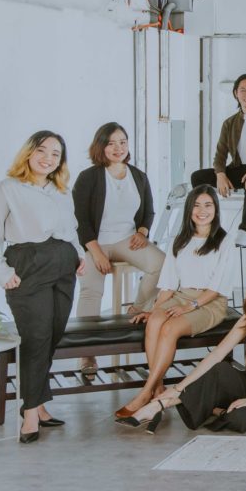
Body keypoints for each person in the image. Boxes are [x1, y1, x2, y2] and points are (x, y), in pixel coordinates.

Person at [0, 131, 85, 444]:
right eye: (42, 150)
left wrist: (79, 254)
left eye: (55, 154)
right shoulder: (5, 189)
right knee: (36, 336)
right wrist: (1, 272)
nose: (48, 158)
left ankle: (38, 404)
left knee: (51, 335)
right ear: (28, 152)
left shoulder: (61, 190)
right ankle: (30, 413)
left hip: (64, 265)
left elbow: (72, 228)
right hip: (29, 265)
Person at [119, 269, 246, 434]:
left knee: (239, 418)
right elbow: (217, 355)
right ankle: (159, 405)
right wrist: (177, 388)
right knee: (220, 370)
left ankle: (217, 409)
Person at [114, 185, 233, 418]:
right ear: (189, 209)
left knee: (169, 328)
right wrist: (154, 310)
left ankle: (145, 392)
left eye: (208, 205)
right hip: (180, 296)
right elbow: (168, 285)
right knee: (155, 320)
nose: (202, 211)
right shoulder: (180, 240)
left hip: (209, 302)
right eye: (196, 205)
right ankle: (158, 389)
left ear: (216, 209)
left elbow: (216, 288)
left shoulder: (224, 241)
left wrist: (189, 307)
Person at [72, 122, 166, 378]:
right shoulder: (88, 177)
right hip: (95, 242)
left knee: (162, 264)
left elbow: (148, 211)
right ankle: (87, 353)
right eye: (111, 143)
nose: (118, 148)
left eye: (122, 142)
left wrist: (142, 232)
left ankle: (136, 309)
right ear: (101, 146)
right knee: (91, 290)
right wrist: (96, 252)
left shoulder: (138, 176)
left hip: (128, 240)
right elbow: (80, 219)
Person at [192, 73, 246, 247]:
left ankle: (245, 230)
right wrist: (220, 174)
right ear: (236, 94)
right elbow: (220, 154)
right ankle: (208, 224)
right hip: (240, 169)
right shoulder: (229, 123)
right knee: (197, 177)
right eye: (243, 90)